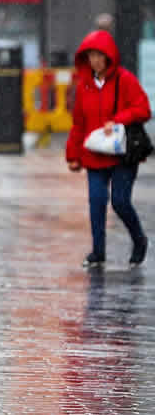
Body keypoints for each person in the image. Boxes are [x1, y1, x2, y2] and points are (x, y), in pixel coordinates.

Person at [66, 30, 151, 269]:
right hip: (94, 156)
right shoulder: (84, 86)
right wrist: (73, 156)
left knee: (121, 202)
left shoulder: (125, 80)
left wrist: (119, 119)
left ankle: (139, 240)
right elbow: (78, 124)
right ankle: (98, 252)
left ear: (109, 56)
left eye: (99, 55)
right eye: (91, 56)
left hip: (122, 154)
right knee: (96, 201)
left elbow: (144, 109)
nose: (95, 60)